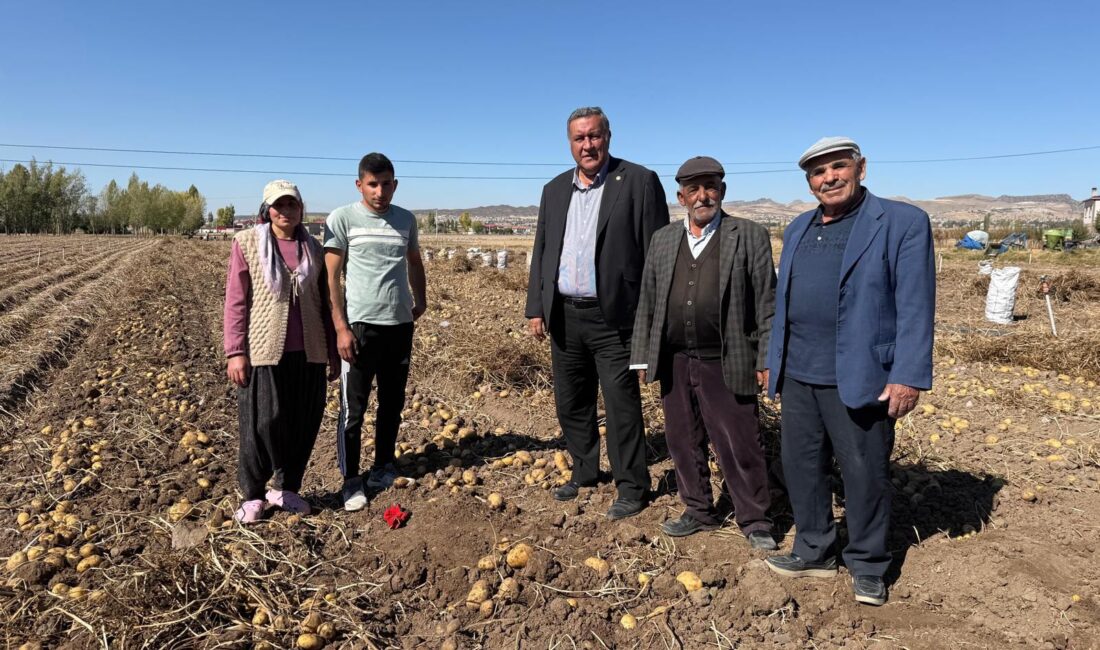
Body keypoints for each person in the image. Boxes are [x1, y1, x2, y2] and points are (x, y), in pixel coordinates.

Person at [764, 137, 935, 606]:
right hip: (799, 372)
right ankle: (815, 549)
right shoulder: (798, 227)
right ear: (809, 182)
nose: (829, 178)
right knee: (802, 467)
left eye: (838, 167)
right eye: (818, 173)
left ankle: (867, 563)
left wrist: (908, 374)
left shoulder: (902, 222)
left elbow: (917, 305)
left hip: (862, 374)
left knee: (864, 472)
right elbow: (784, 303)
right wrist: (771, 360)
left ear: (861, 168)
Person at [525, 107, 669, 520]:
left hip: (615, 317)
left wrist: (650, 321)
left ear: (608, 137)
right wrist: (536, 306)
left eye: (594, 136)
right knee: (571, 400)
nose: (587, 145)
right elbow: (542, 251)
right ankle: (585, 471)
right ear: (569, 143)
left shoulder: (639, 182)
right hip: (565, 316)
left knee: (621, 403)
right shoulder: (554, 190)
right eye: (579, 138)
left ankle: (631, 486)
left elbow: (656, 254)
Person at [630, 156, 778, 548]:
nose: (702, 195)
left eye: (710, 186)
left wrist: (766, 357)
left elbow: (767, 302)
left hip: (727, 358)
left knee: (739, 440)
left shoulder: (748, 235)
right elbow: (648, 298)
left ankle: (755, 519)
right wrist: (643, 354)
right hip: (676, 357)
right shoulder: (663, 240)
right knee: (682, 438)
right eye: (693, 189)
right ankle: (698, 510)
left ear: (722, 191)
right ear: (681, 197)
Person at [223, 179, 340, 524]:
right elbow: (236, 300)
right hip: (263, 350)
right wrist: (235, 351)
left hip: (309, 350)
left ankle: (288, 487)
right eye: (279, 205)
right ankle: (254, 494)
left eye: (292, 204)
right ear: (267, 210)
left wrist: (332, 350)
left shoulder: (314, 250)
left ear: (301, 208)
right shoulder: (246, 243)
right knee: (261, 423)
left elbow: (325, 302)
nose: (286, 211)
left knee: (303, 421)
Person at [324, 153, 427, 512]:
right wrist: (341, 327)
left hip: (399, 326)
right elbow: (332, 278)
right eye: (372, 184)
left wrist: (421, 298)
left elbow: (413, 261)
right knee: (353, 408)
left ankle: (383, 464)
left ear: (395, 184)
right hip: (360, 329)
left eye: (386, 184)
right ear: (359, 185)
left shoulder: (406, 220)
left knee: (392, 403)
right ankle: (351, 478)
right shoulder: (343, 219)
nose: (380, 191)